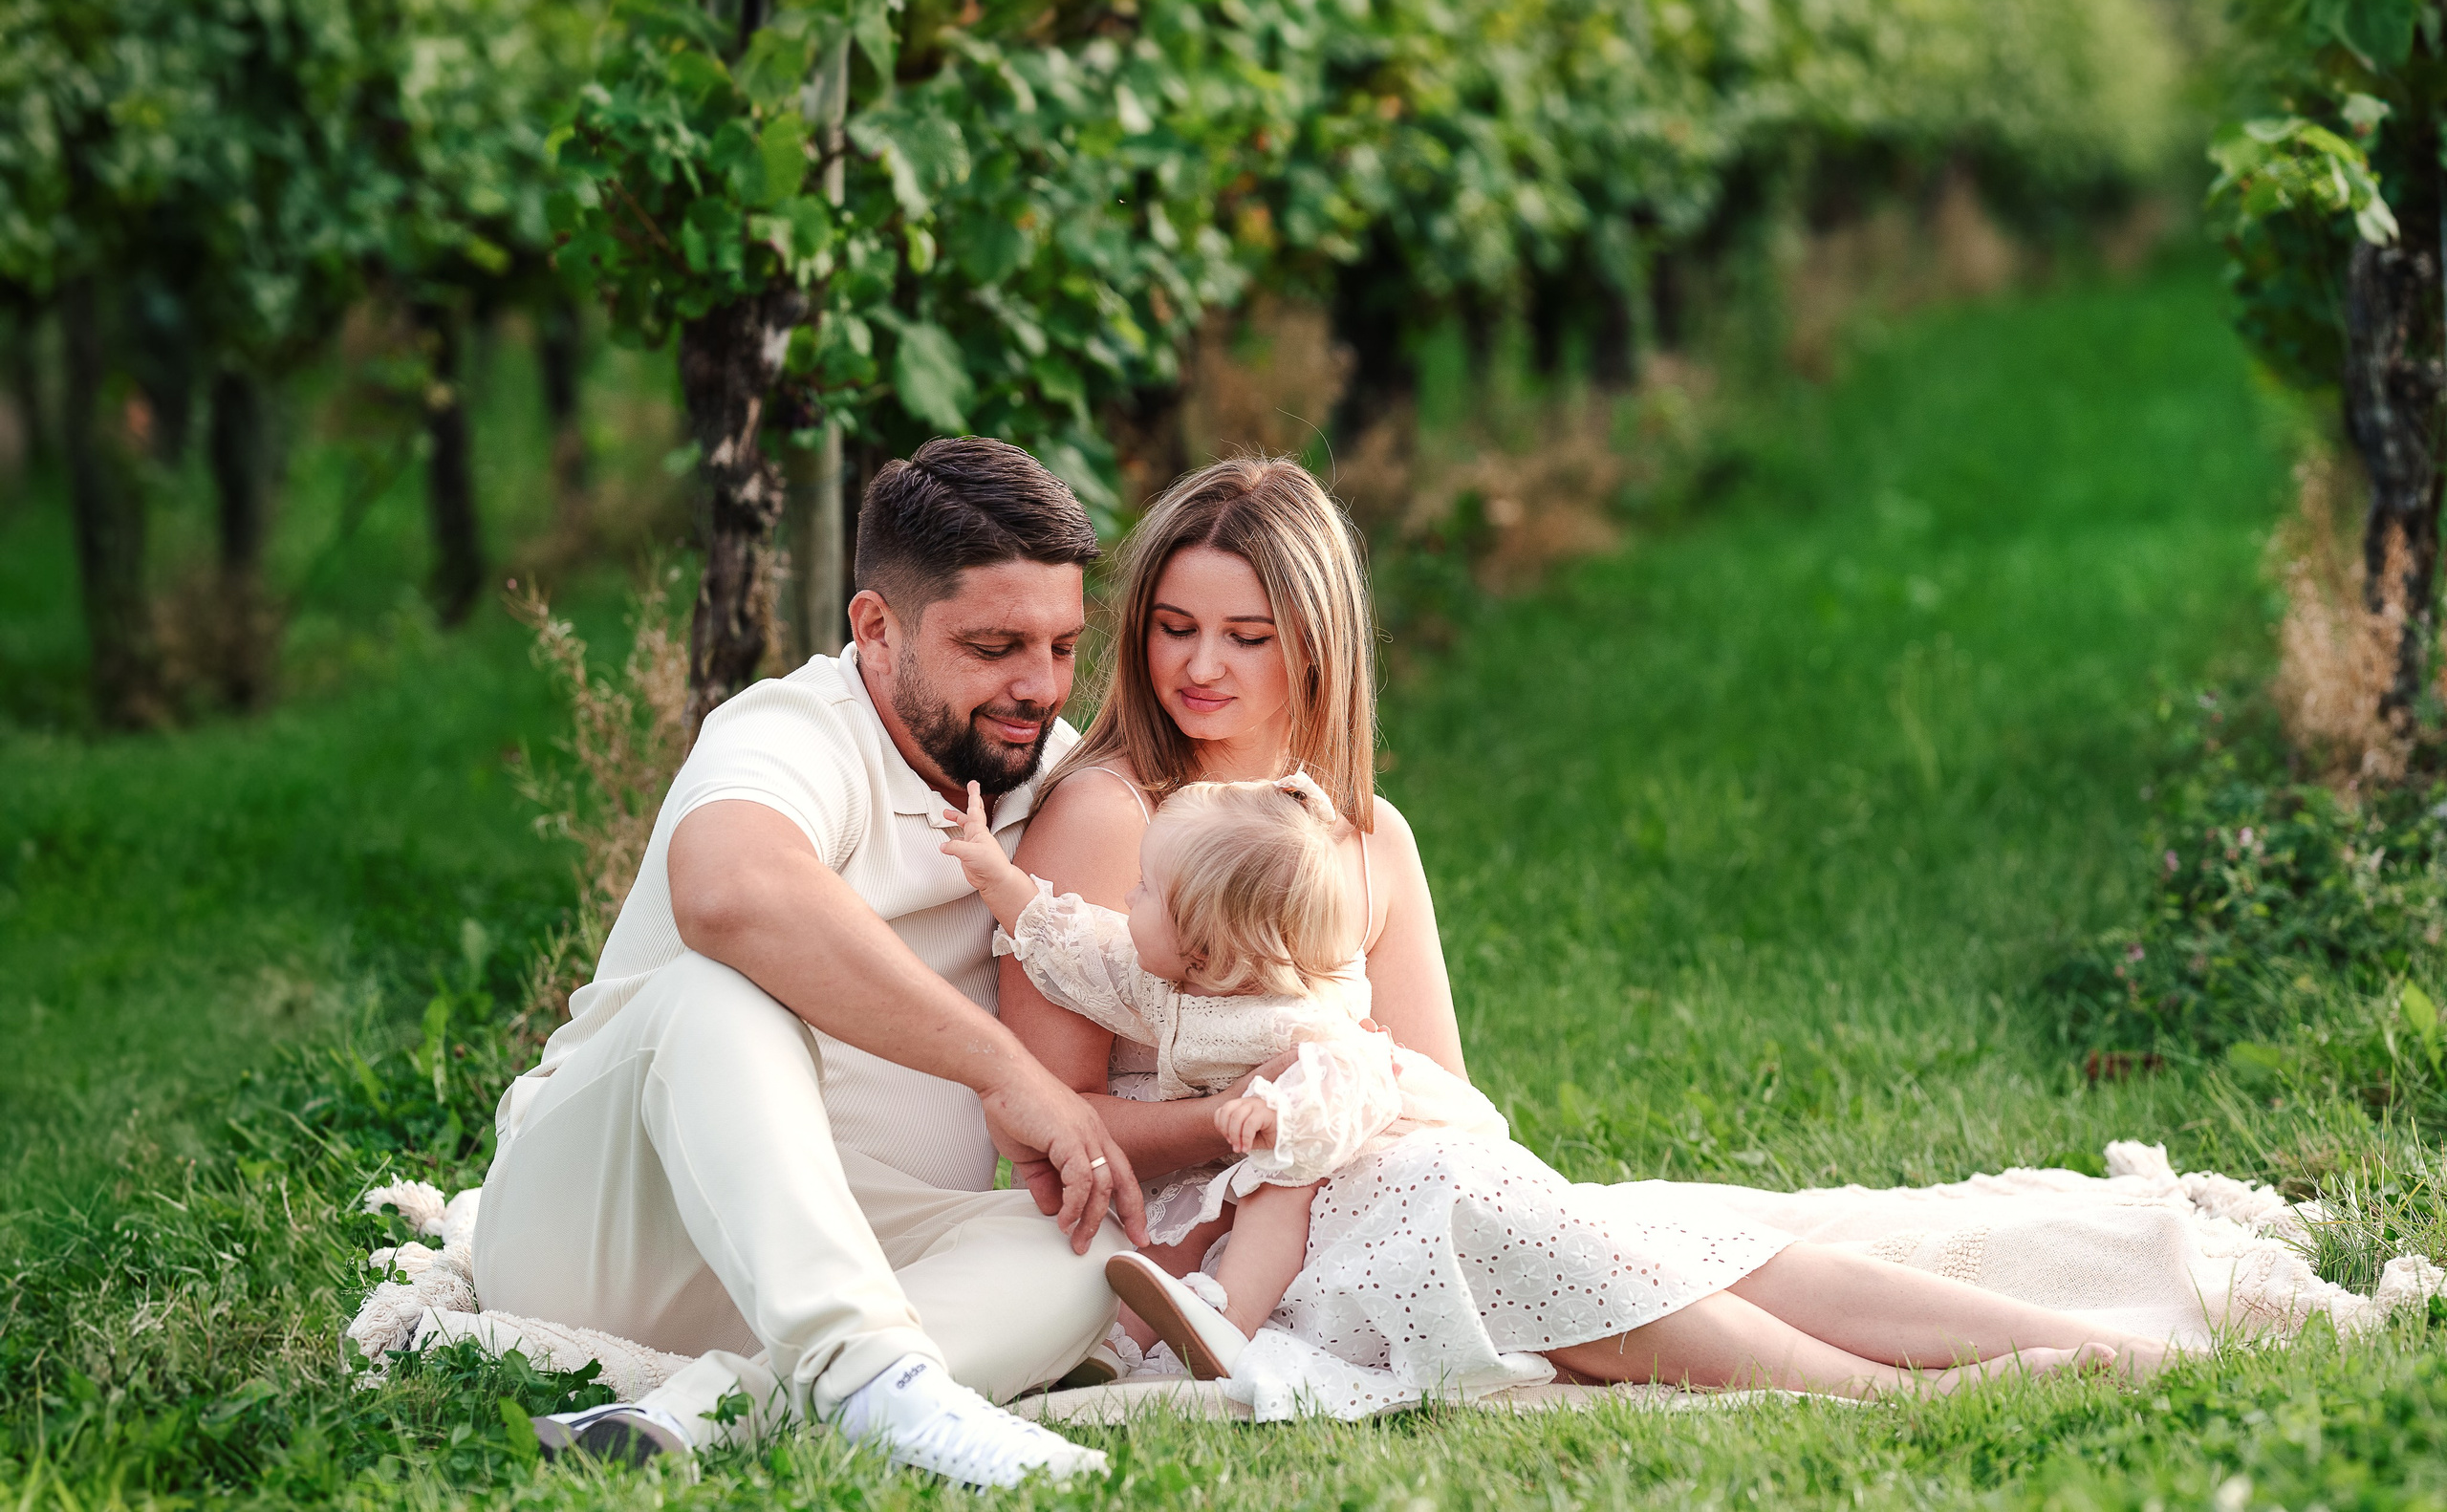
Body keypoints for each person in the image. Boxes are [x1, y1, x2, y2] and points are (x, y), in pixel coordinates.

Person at [1007, 455, 2174, 1413]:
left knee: (1657, 1232)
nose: (1199, 665)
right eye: (1173, 627)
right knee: (1475, 1207)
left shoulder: (1365, 836)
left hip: (1382, 1170)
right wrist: (1255, 1115)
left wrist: (1357, 1104)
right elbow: (1043, 1118)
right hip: (1217, 1230)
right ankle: (1899, 1395)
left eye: (1245, 635)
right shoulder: (1114, 816)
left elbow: (1443, 1091)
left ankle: (2090, 1345)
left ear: (1315, 642)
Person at [471, 438, 1149, 1487]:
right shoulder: (794, 729)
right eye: (995, 645)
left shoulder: (1057, 779)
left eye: (1063, 647)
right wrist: (1002, 1070)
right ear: (875, 629)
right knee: (715, 988)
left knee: (1090, 1253)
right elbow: (729, 889)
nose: (1039, 687)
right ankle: (873, 1375)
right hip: (609, 1232)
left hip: (853, 1246)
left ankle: (729, 1409)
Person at [939, 768, 1507, 1373]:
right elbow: (1076, 947)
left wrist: (1277, 1109)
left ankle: (1230, 1321)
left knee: (1273, 1190)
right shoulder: (1165, 980)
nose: (1127, 899)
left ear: (1201, 944)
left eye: (1145, 889)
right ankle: (1115, 1344)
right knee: (1181, 1229)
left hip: (1345, 1143)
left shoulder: (1295, 1019)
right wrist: (995, 876)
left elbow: (1349, 1077)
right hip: (1234, 1152)